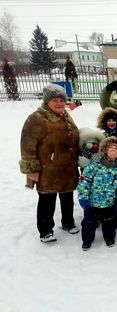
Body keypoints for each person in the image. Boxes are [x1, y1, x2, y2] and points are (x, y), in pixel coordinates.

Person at [19, 84, 80, 243]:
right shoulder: (37, 118)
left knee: (67, 196)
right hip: (48, 169)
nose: (59, 103)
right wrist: (31, 169)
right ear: (47, 101)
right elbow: (27, 144)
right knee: (47, 199)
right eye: (55, 100)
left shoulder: (64, 115)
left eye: (61, 100)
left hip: (66, 167)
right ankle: (45, 231)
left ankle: (68, 223)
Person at [77, 137, 117, 250]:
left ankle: (109, 238)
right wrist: (83, 197)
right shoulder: (94, 166)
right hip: (92, 203)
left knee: (109, 223)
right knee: (89, 223)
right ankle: (87, 240)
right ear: (104, 150)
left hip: (109, 203)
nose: (113, 150)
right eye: (110, 148)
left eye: (116, 148)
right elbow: (84, 182)